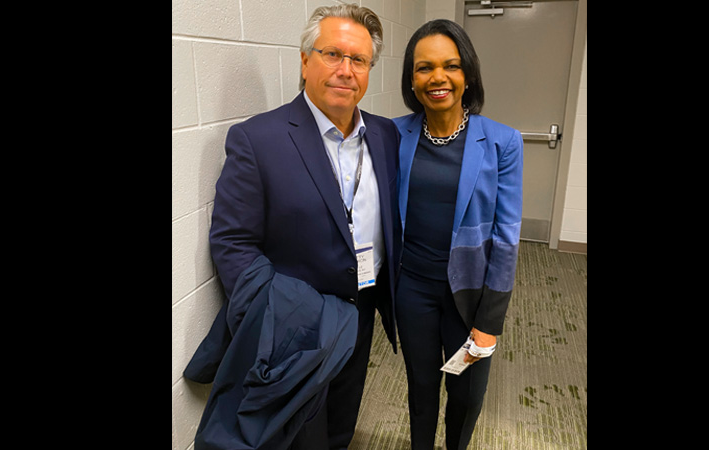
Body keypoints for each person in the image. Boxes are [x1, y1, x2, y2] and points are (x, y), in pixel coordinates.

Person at [187, 4, 400, 449]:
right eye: (332, 54)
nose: (345, 70)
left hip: (359, 315)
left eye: (358, 60)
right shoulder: (258, 139)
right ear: (305, 61)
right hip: (295, 328)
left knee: (342, 423)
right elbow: (232, 242)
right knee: (297, 436)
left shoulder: (384, 135)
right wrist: (276, 316)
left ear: (370, 70)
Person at [393, 19, 524, 450]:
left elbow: (506, 238)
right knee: (421, 389)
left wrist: (490, 323)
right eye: (424, 67)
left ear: (467, 74)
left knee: (466, 397)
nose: (437, 78)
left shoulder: (502, 142)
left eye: (450, 66)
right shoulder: (394, 134)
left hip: (470, 296)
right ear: (412, 80)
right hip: (412, 288)